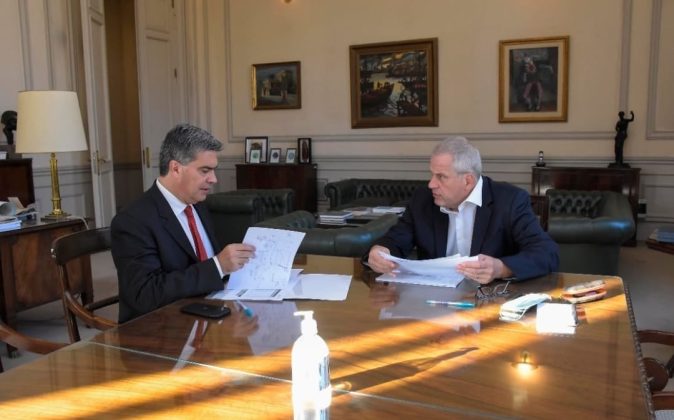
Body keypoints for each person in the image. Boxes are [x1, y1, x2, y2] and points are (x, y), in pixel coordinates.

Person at [111, 124, 256, 322]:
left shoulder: (198, 205)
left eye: (213, 170)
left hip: (208, 316)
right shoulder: (132, 221)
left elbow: (207, 267)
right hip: (160, 328)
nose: (213, 179)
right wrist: (218, 266)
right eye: (205, 170)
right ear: (176, 169)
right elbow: (145, 295)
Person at [367, 136, 559, 284]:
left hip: (490, 301)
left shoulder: (509, 201)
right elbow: (396, 239)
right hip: (433, 301)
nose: (431, 184)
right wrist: (380, 251)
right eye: (432, 175)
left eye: (441, 177)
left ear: (468, 181)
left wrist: (501, 268)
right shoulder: (423, 200)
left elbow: (547, 253)